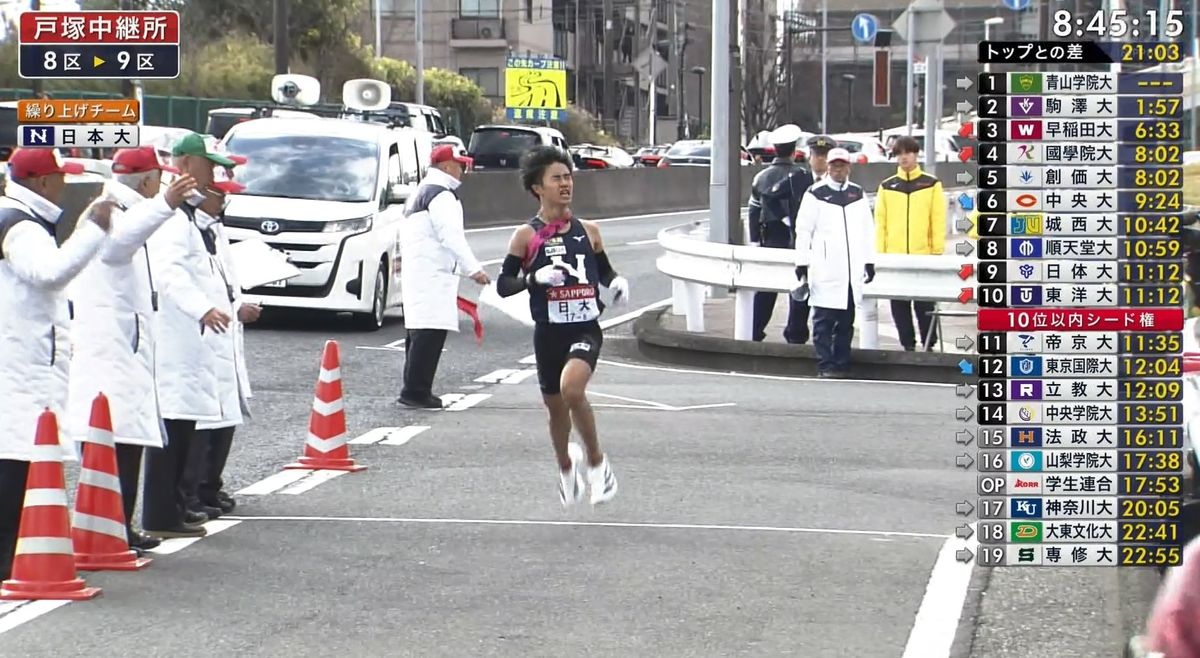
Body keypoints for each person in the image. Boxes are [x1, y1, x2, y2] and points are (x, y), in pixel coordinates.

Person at [65, 146, 198, 554]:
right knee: (114, 441)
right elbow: (117, 244)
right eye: (158, 179)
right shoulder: (109, 210)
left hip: (124, 345)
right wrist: (164, 205)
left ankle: (119, 526)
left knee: (127, 440)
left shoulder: (121, 206)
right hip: (109, 348)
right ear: (146, 181)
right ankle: (108, 530)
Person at [0, 147, 112, 579]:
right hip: (21, 355)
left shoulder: (19, 217)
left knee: (22, 451)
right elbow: (50, 273)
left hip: (23, 351)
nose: (66, 185)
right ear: (43, 182)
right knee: (18, 454)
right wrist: (93, 231)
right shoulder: (22, 226)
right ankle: (11, 557)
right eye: (60, 177)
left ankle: (16, 552)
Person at [495, 146, 628, 506]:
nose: (566, 184)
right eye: (557, 178)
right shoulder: (526, 236)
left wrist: (616, 282)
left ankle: (599, 465)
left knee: (572, 390)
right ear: (538, 187)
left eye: (568, 177)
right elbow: (503, 285)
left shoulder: (590, 231)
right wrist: (533, 278)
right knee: (555, 410)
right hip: (548, 333)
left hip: (584, 327)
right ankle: (567, 468)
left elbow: (604, 271)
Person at [141, 132, 238, 538]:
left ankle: (174, 509)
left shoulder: (185, 215)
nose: (214, 174)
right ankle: (163, 513)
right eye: (207, 165)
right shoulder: (169, 216)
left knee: (183, 427)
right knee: (172, 427)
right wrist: (204, 307)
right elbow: (169, 273)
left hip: (192, 337)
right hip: (176, 336)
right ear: (182, 166)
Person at [182, 165, 257, 519]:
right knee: (202, 421)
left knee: (225, 416)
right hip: (202, 332)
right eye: (219, 193)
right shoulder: (185, 228)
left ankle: (210, 487)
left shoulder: (215, 229)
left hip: (224, 332)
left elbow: (228, 281)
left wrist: (239, 305)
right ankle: (192, 493)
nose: (225, 200)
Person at [396, 144, 490, 409]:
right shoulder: (442, 195)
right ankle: (416, 391)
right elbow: (452, 237)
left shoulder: (421, 191)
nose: (463, 170)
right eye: (460, 165)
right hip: (433, 272)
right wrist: (473, 269)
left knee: (418, 330)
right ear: (447, 166)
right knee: (430, 331)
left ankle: (413, 387)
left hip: (419, 270)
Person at [794, 148, 876, 378]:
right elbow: (803, 231)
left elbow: (867, 230)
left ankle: (841, 363)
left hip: (851, 271)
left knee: (846, 321)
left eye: (842, 165)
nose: (838, 170)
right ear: (828, 167)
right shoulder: (815, 193)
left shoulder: (857, 194)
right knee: (823, 321)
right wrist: (801, 262)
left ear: (848, 167)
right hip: (825, 267)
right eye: (834, 165)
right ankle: (825, 364)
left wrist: (869, 261)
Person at [875, 135, 946, 351]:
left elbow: (937, 220)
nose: (904, 157)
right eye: (899, 153)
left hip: (923, 255)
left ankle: (929, 343)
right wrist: (881, 255)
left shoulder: (931, 184)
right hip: (895, 256)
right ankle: (907, 344)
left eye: (908, 152)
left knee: (924, 303)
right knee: (899, 305)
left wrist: (936, 252)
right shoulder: (887, 186)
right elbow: (881, 223)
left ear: (916, 154)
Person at [747, 123, 814, 344]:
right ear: (794, 150)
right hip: (797, 239)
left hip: (770, 238)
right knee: (799, 287)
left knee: (766, 289)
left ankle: (754, 330)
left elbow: (754, 211)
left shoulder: (761, 177)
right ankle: (795, 334)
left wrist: (755, 240)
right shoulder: (803, 176)